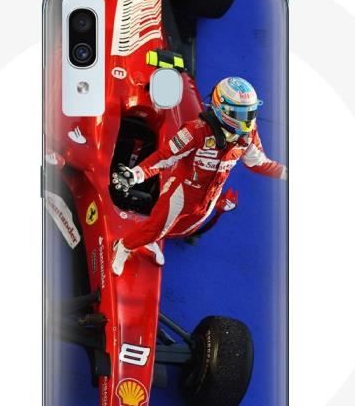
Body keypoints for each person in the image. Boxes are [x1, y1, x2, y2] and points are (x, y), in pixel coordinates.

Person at [110, 77, 287, 276]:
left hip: (208, 200)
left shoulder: (249, 134)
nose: (247, 120)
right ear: (222, 109)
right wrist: (135, 175)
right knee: (155, 227)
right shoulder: (194, 131)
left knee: (183, 229)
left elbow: (259, 163)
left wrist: (287, 173)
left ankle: (151, 239)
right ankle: (123, 246)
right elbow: (164, 157)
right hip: (180, 194)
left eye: (250, 113)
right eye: (240, 113)